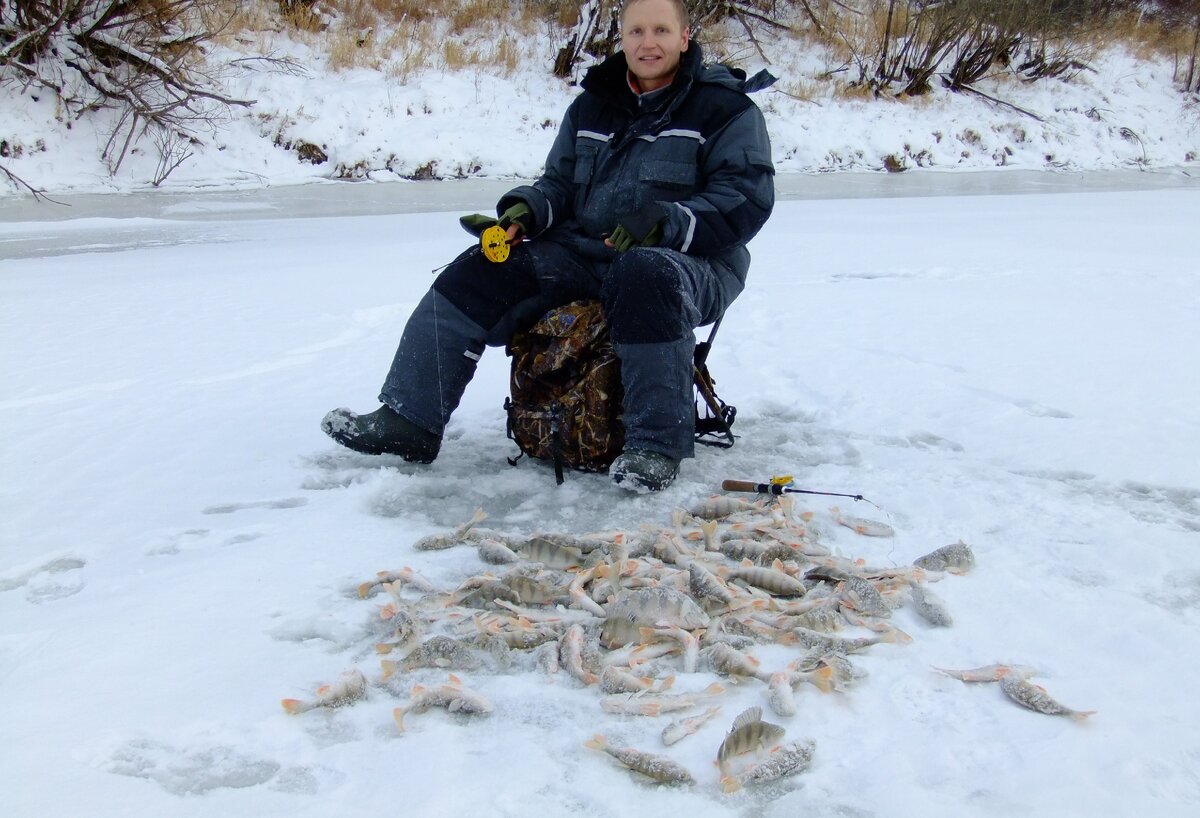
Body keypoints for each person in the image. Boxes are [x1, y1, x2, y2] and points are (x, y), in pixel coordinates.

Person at [322, 0, 776, 492]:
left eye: (661, 30)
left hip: (692, 263)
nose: (648, 43)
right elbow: (559, 184)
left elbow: (745, 200)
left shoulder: (726, 110)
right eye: (637, 31)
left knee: (645, 273)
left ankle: (655, 447)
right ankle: (410, 420)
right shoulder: (591, 105)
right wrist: (525, 211)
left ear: (684, 37)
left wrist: (666, 221)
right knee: (481, 268)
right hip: (584, 253)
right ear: (622, 38)